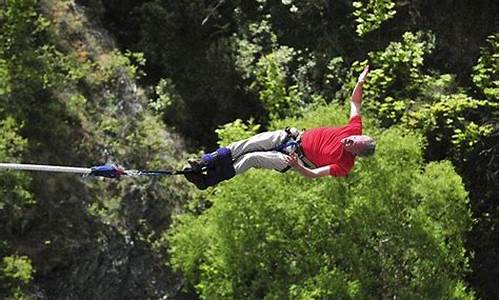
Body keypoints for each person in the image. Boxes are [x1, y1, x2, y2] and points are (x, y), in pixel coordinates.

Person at [184, 65, 375, 190]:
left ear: (355, 153)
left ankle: (207, 181)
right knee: (245, 144)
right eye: (354, 139)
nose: (349, 140)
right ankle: (203, 163)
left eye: (352, 145)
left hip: (293, 159)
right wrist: (360, 82)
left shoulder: (344, 164)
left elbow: (315, 174)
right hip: (292, 137)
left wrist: (296, 165)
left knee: (252, 157)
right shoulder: (354, 129)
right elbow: (355, 103)